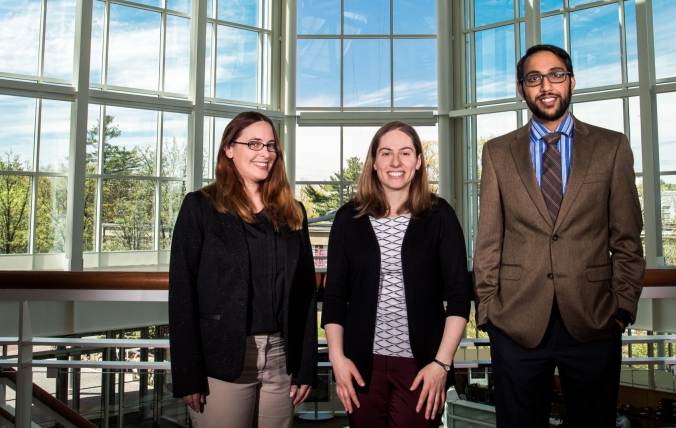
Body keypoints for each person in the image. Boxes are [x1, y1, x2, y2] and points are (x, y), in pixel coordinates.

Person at [473, 44, 645, 427]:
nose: (545, 85)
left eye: (555, 75)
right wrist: (488, 312)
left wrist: (621, 309)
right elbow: (488, 240)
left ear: (571, 81)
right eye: (534, 78)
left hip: (594, 319)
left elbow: (628, 239)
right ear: (522, 89)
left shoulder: (611, 147)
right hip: (515, 321)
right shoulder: (498, 153)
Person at [169, 111, 318, 428]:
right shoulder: (200, 207)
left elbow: (305, 296)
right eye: (254, 144)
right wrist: (187, 373)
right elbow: (182, 295)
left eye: (271, 145)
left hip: (282, 361)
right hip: (221, 361)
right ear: (229, 149)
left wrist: (306, 366)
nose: (265, 153)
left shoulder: (294, 213)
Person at [322, 121, 472, 428]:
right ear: (374, 163)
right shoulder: (348, 219)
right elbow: (335, 296)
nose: (395, 162)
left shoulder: (440, 215)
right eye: (386, 153)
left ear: (417, 161)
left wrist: (441, 365)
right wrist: (338, 360)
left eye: (405, 153)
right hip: (361, 367)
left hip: (422, 368)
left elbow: (459, 297)